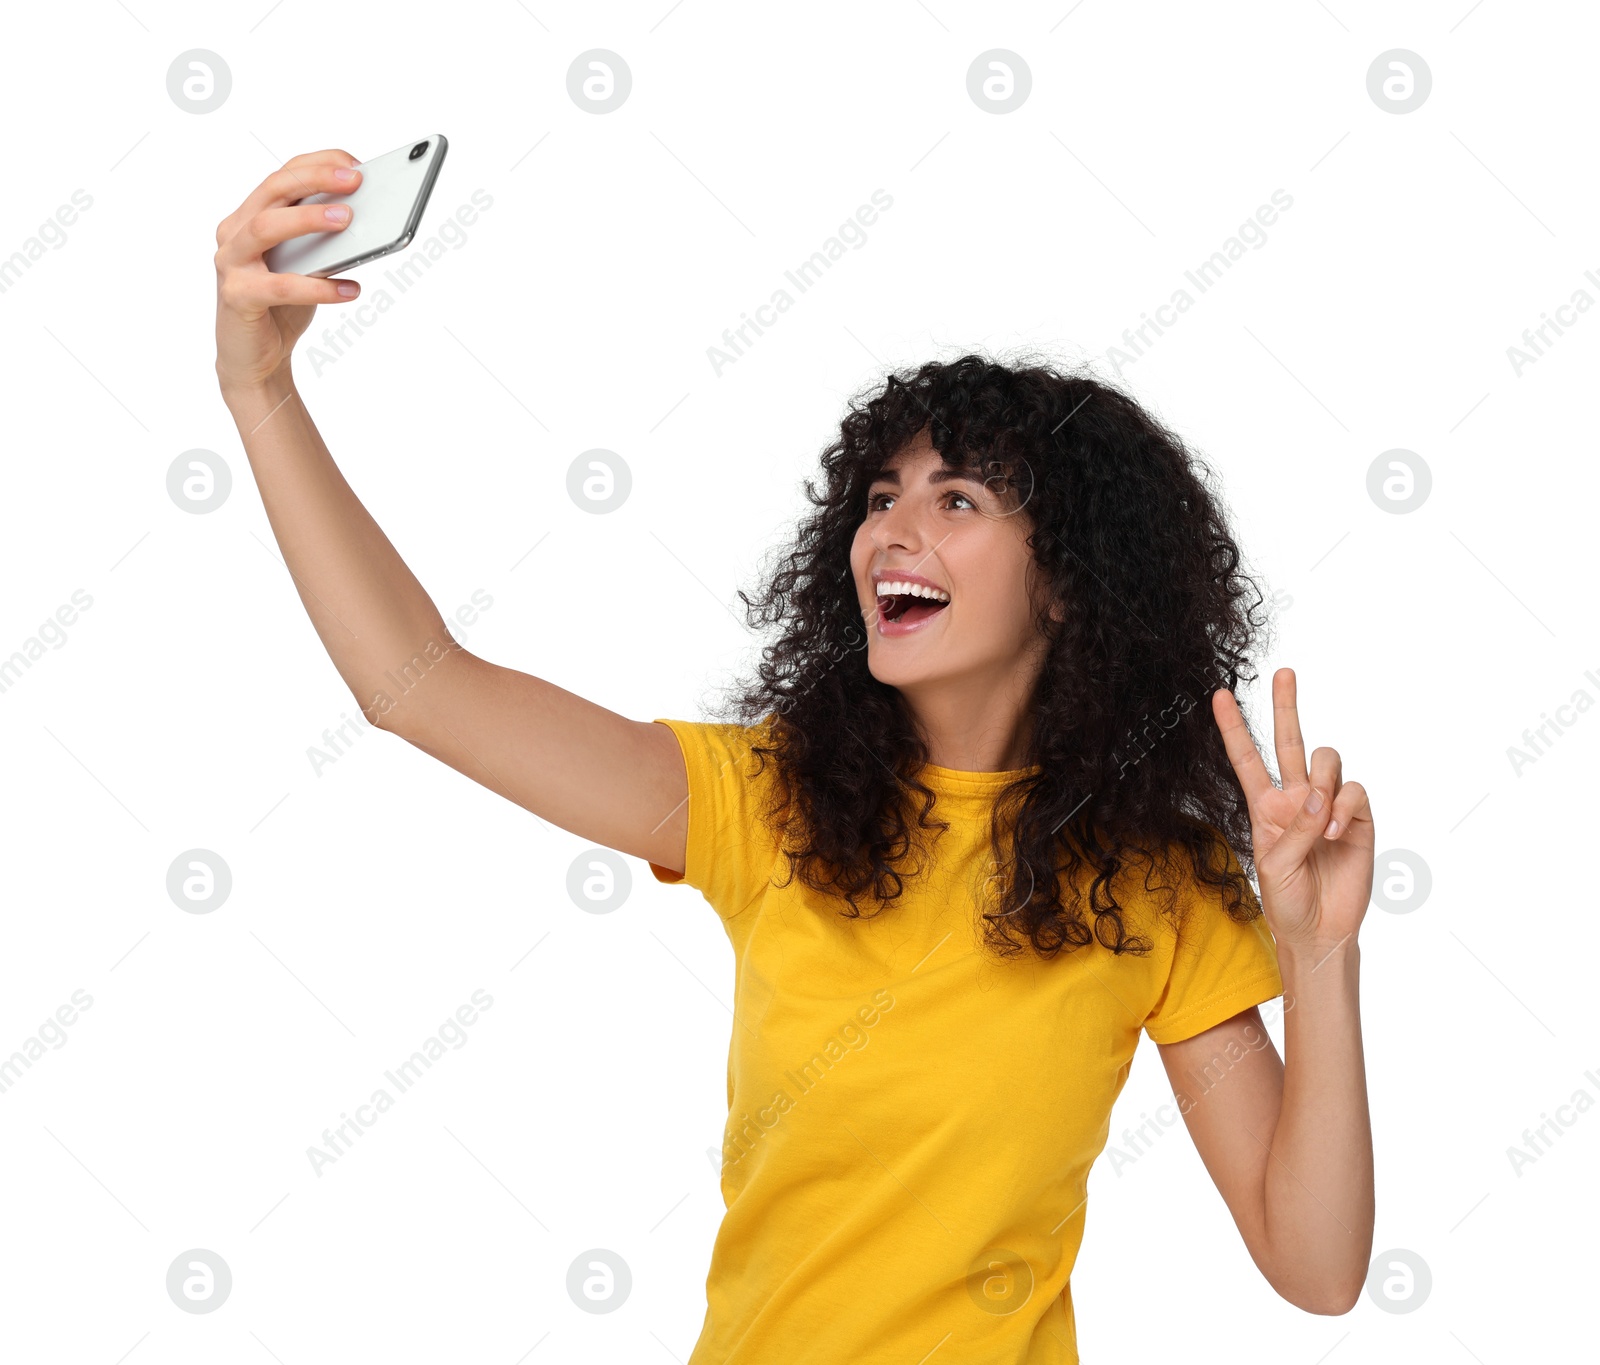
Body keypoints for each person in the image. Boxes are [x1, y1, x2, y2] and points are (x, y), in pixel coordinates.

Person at [214, 148, 1376, 1364]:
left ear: (1072, 586)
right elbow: (418, 686)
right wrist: (260, 394)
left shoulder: (1155, 880)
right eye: (880, 497)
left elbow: (1317, 1268)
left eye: (958, 501)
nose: (891, 532)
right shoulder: (766, 804)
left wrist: (1320, 953)